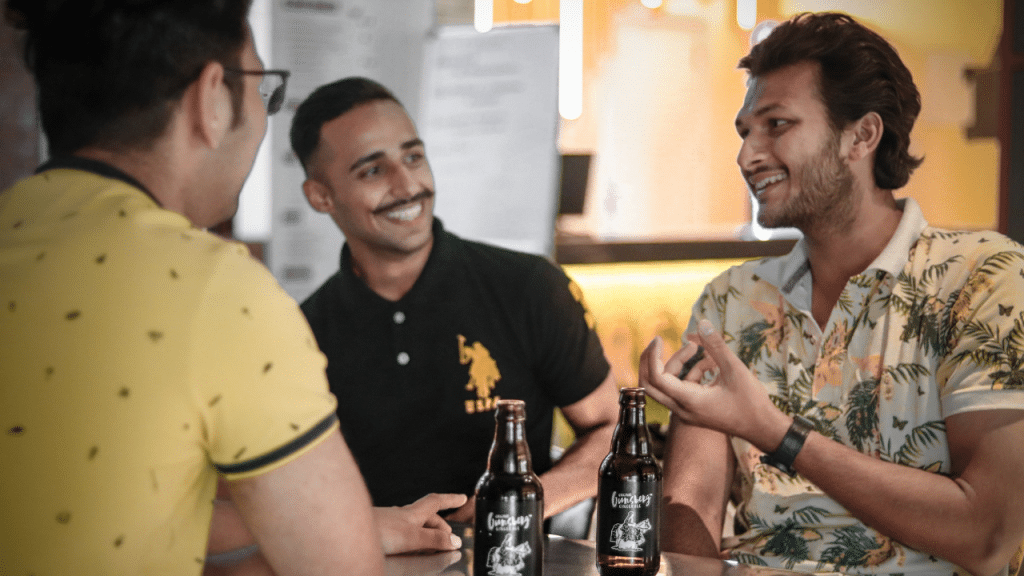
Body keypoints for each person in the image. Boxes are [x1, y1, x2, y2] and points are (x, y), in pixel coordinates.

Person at [0, 2, 461, 575]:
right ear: (211, 99)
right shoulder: (215, 290)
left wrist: (363, 525)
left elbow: (122, 502)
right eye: (262, 89)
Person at [639, 11, 1024, 576]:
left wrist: (773, 431)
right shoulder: (731, 300)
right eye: (745, 131)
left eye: (777, 125)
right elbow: (687, 513)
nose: (747, 156)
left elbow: (988, 537)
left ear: (862, 135)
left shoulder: (984, 279)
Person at [289, 76, 621, 522]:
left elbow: (612, 427)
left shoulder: (528, 286)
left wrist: (518, 507)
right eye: (372, 170)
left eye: (413, 157)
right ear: (321, 196)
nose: (407, 184)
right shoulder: (301, 334)